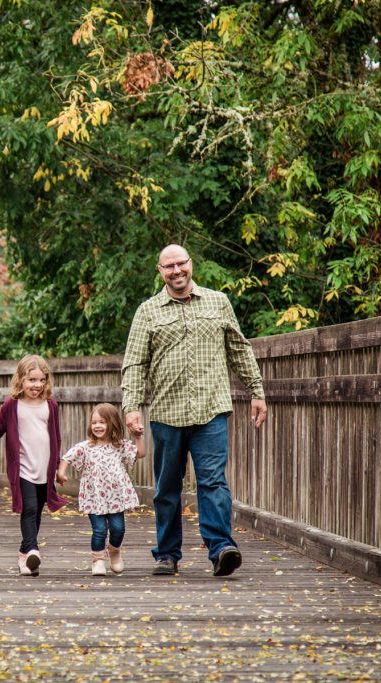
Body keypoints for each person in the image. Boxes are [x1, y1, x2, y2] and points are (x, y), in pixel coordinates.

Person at [121, 244, 267, 577]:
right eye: (168, 266)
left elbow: (239, 350)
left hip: (211, 410)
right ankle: (167, 554)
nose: (176, 271)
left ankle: (221, 549)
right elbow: (134, 363)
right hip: (167, 414)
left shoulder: (219, 302)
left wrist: (256, 391)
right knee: (167, 487)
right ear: (160, 271)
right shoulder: (148, 311)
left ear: (191, 264)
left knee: (213, 481)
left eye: (181, 264)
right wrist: (131, 407)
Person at [0, 355, 68, 576]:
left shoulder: (50, 405)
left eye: (41, 380)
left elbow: (56, 437)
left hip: (44, 468)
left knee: (38, 511)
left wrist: (57, 468)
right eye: (31, 380)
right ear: (21, 380)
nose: (36, 385)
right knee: (30, 507)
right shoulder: (12, 405)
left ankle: (24, 554)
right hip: (22, 467)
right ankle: (33, 549)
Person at [56, 403, 146, 576]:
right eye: (94, 422)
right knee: (99, 530)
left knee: (118, 528)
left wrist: (137, 437)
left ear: (112, 423)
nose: (97, 426)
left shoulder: (119, 446)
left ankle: (114, 551)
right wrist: (61, 473)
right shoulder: (86, 447)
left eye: (102, 422)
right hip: (94, 496)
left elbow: (140, 453)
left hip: (116, 498)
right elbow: (67, 457)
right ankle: (98, 560)